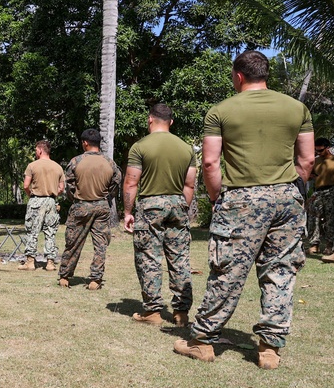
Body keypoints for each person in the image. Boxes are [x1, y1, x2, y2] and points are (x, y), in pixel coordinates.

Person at [174, 50, 314, 370]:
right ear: (265, 75)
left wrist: (216, 198)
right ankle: (269, 350)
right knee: (280, 272)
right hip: (288, 197)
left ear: (238, 76)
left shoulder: (221, 111)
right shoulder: (297, 108)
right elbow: (306, 161)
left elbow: (210, 162)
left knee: (228, 271)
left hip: (241, 198)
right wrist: (291, 191)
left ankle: (204, 342)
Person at [122, 103, 197, 327]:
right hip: (178, 203)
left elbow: (131, 182)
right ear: (171, 122)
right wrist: (182, 208)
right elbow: (189, 185)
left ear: (150, 119)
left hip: (150, 205)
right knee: (179, 258)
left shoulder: (140, 147)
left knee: (148, 257)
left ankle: (153, 311)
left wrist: (127, 212)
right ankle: (181, 312)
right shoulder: (186, 149)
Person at [58, 129, 122, 290]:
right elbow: (116, 183)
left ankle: (65, 276)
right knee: (100, 244)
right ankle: (95, 279)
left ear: (85, 143)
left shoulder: (76, 161)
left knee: (73, 242)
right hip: (101, 206)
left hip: (81, 205)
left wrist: (76, 200)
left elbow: (70, 186)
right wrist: (106, 197)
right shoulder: (110, 162)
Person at [19, 139, 64, 272]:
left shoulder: (32, 165)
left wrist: (31, 195)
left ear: (40, 150)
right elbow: (61, 188)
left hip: (36, 200)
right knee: (50, 231)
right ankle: (50, 262)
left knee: (32, 231)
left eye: (35, 151)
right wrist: (53, 192)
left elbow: (26, 185)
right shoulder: (58, 167)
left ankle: (30, 262)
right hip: (51, 201)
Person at [306, 138, 334, 254]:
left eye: (320, 151)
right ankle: (314, 245)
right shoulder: (316, 161)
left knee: (331, 220)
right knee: (312, 218)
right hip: (318, 192)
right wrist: (311, 176)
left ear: (328, 148)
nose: (318, 153)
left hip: (333, 191)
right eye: (317, 151)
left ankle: (329, 246)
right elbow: (310, 175)